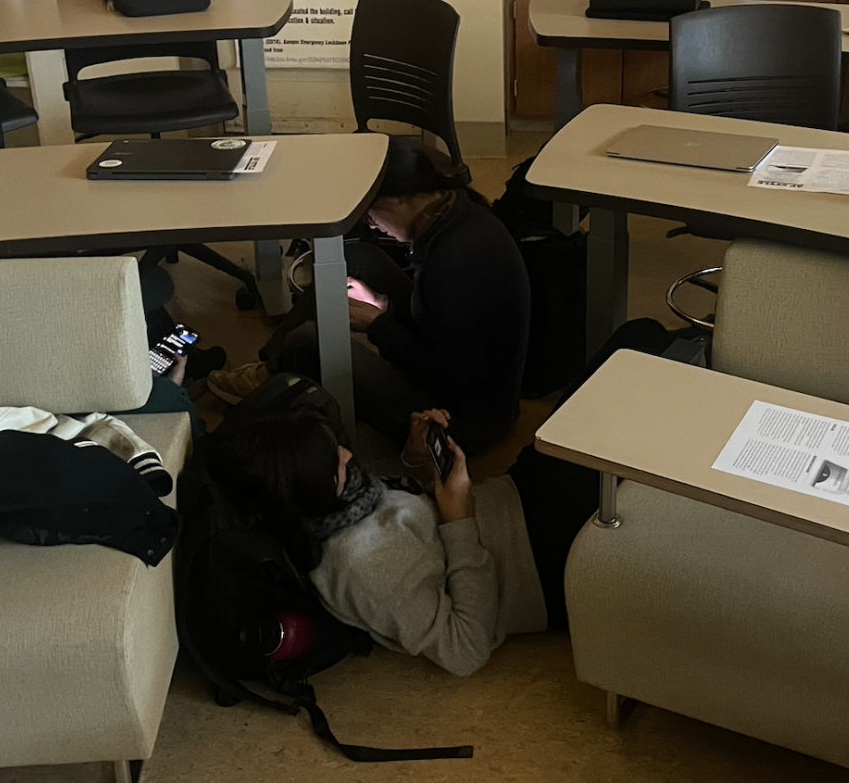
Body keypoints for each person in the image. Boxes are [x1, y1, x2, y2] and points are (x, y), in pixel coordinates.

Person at [207, 404, 604, 678]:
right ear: (307, 492)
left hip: (511, 501)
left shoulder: (339, 504)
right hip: (536, 566)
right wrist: (459, 518)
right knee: (620, 430)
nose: (346, 453)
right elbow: (466, 650)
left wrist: (415, 456)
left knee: (627, 351)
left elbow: (406, 520)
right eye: (334, 461)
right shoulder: (362, 565)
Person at [208, 138, 532, 453]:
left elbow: (451, 376)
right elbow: (440, 322)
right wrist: (384, 305)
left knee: (309, 340)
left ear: (401, 200)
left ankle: (277, 370)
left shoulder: (455, 261)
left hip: (461, 418)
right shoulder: (457, 210)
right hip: (461, 373)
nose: (373, 225)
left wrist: (378, 324)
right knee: (357, 257)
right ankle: (272, 366)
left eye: (372, 214)